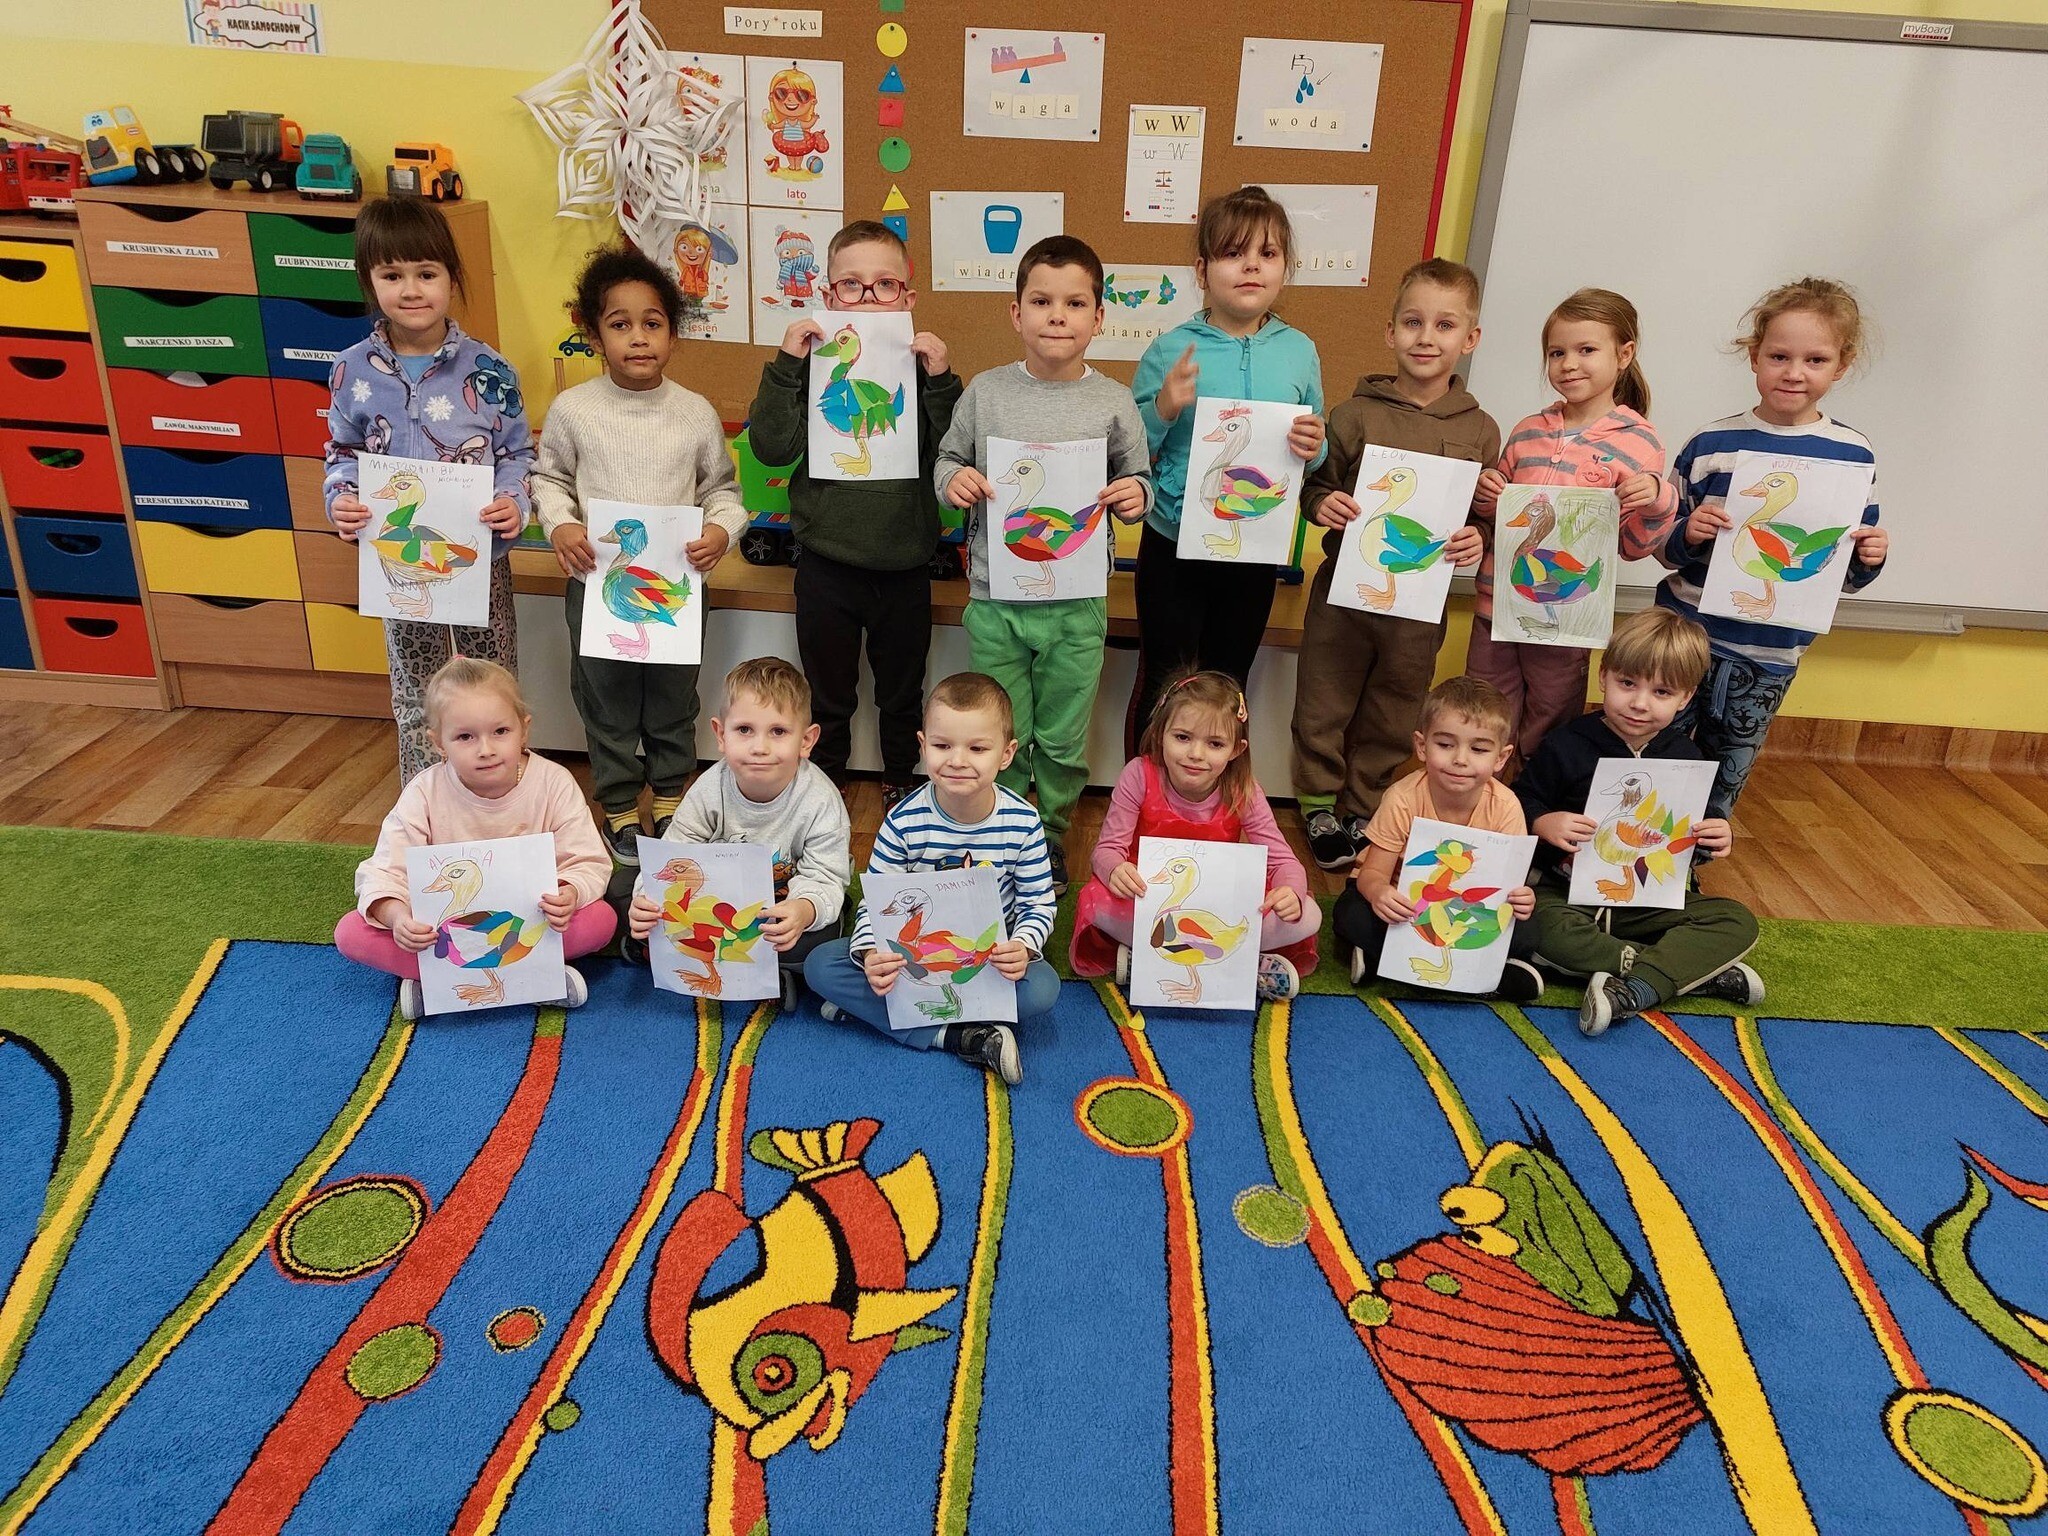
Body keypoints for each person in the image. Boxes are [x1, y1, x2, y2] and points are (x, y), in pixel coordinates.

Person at [935, 234, 1153, 895]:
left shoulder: (1114, 401)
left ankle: (1050, 835)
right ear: (1016, 313)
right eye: (1041, 301)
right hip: (996, 599)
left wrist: (1134, 495)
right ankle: (998, 834)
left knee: (1060, 737)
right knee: (1000, 729)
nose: (1057, 315)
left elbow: (1140, 478)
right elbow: (947, 460)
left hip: (1077, 605)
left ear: (1098, 317)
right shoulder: (985, 392)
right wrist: (954, 481)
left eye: (1075, 303)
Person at [533, 243, 747, 865]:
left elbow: (723, 492)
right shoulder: (574, 410)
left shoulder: (695, 413)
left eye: (652, 323)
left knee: (674, 698)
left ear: (672, 334)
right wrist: (560, 525)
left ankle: (676, 799)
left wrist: (720, 531)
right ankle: (622, 807)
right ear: (595, 334)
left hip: (677, 589)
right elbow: (548, 480)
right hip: (596, 586)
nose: (638, 338)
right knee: (606, 698)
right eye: (620, 324)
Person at [1293, 257, 1501, 872]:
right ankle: (1317, 805)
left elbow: (1485, 515)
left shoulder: (1482, 431)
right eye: (1413, 322)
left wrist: (1480, 536)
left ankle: (1366, 807)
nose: (1426, 338)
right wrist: (1320, 503)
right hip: (1342, 596)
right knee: (1323, 699)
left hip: (1419, 607)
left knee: (1396, 706)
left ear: (1470, 339)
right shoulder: (1352, 415)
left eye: (1444, 325)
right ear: (1390, 332)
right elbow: (1313, 486)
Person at [1653, 277, 1887, 820]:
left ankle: (1694, 859)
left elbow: (1845, 575)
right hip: (1686, 637)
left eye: (1815, 360)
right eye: (1779, 356)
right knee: (1655, 756)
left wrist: (1869, 556)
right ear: (1754, 356)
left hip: (1771, 653)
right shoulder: (1710, 444)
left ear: (1842, 365)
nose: (1794, 372)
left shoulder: (1853, 456)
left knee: (1727, 771)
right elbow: (1662, 545)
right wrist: (1688, 532)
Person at [747, 220, 963, 804]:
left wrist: (942, 380)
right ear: (828, 294)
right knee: (827, 693)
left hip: (904, 564)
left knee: (902, 691)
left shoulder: (924, 372)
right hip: (827, 562)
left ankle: (901, 782)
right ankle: (826, 785)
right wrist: (786, 366)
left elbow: (958, 452)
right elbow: (771, 449)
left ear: (907, 297)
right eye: (851, 285)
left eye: (884, 285)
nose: (868, 298)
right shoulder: (809, 367)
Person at [324, 196, 535, 784]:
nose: (411, 290)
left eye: (426, 273)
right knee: (417, 692)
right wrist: (341, 500)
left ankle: (502, 799)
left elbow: (519, 454)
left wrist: (514, 503)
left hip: (480, 559)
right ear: (369, 281)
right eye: (392, 276)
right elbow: (341, 452)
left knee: (493, 687)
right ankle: (426, 808)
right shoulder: (351, 370)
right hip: (397, 566)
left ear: (451, 277)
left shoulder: (489, 370)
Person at [1127, 186, 1328, 750]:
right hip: (1173, 544)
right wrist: (1164, 407)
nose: (1251, 266)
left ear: (1285, 269)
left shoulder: (1299, 351)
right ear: (1202, 270)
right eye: (1233, 253)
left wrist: (1315, 444)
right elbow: (1131, 449)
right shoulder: (1171, 348)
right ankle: (1147, 793)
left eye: (1267, 253)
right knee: (1165, 681)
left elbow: (1317, 452)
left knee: (1228, 683)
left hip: (1253, 550)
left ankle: (1214, 796)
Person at [1513, 607, 1764, 1036]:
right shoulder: (1567, 743)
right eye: (1627, 683)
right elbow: (1520, 799)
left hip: (1649, 904)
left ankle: (1631, 983)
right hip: (1567, 894)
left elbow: (1698, 822)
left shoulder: (1686, 756)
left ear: (1685, 698)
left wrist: (1717, 832)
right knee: (1529, 925)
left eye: (1662, 692)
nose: (1639, 703)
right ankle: (1678, 972)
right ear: (1603, 676)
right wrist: (1542, 822)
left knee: (1737, 920)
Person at [804, 673, 1058, 1084]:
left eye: (977, 748)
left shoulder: (1024, 822)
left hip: (986, 961)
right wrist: (870, 954)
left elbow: (1038, 904)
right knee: (821, 965)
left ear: (1006, 754)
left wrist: (1024, 946)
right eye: (942, 746)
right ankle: (962, 1036)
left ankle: (880, 1014)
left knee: (1043, 988)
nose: (957, 760)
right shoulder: (903, 821)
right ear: (922, 746)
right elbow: (875, 902)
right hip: (912, 962)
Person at [336, 658, 615, 1020]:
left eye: (500, 731)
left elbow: (587, 860)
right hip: (446, 937)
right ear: (438, 743)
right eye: (465, 737)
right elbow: (385, 870)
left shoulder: (554, 783)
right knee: (350, 933)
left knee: (602, 920)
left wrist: (569, 892)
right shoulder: (424, 793)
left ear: (524, 730)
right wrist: (397, 918)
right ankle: (528, 976)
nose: (486, 749)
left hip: (524, 929)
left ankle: (444, 982)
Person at [1467, 288, 1678, 765]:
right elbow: (1499, 515)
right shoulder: (1527, 430)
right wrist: (1487, 493)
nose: (1568, 364)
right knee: (1484, 712)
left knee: (1551, 718)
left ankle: (1537, 797)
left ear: (1624, 354)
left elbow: (1633, 546)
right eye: (1556, 353)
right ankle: (1486, 798)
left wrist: (1658, 499)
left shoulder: (1640, 442)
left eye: (1586, 350)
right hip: (1497, 608)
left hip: (1567, 620)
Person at [1071, 669, 1319, 1000]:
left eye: (1215, 744)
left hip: (1218, 913)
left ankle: (1150, 956)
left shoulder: (1243, 789)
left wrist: (1290, 891)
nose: (1196, 754)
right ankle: (1239, 963)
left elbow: (1283, 862)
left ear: (1236, 749)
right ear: (1160, 734)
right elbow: (1106, 850)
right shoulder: (1139, 775)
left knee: (1308, 914)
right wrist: (1115, 870)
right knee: (1095, 901)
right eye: (1183, 737)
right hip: (1149, 901)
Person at [625, 657, 851, 1009]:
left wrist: (803, 909)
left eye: (778, 732)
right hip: (715, 911)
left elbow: (826, 877)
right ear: (720, 734)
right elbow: (672, 857)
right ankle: (758, 969)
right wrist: (644, 902)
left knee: (819, 937)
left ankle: (767, 968)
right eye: (744, 730)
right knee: (623, 892)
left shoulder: (821, 801)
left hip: (777, 912)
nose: (760, 747)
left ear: (806, 741)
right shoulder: (708, 790)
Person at [1330, 676, 1541, 1000]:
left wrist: (1522, 899)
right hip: (1402, 903)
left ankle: (1385, 962)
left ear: (1501, 758)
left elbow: (1510, 889)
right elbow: (1372, 875)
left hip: (1462, 910)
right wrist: (1380, 895)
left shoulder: (1506, 805)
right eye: (1445, 745)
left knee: (1530, 930)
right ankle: (1486, 976)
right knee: (1351, 915)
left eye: (1479, 749)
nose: (1461, 759)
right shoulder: (1402, 798)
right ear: (1421, 746)